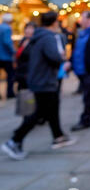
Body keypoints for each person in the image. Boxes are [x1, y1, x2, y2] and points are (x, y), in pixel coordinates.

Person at [1, 12, 76, 160]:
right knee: (38, 114)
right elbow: (54, 56)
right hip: (44, 81)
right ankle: (15, 140)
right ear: (54, 22)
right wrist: (63, 60)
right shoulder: (47, 37)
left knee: (52, 109)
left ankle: (58, 136)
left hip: (40, 80)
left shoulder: (38, 36)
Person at [15, 22, 36, 90]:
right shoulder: (23, 40)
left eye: (30, 29)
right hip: (20, 71)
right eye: (26, 28)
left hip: (28, 73)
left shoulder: (35, 42)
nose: (27, 31)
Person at [0, 13, 16, 99]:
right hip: (5, 56)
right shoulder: (7, 28)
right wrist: (13, 51)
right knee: (11, 75)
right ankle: (10, 93)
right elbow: (7, 42)